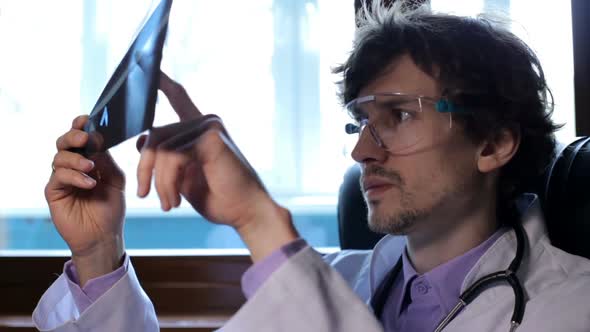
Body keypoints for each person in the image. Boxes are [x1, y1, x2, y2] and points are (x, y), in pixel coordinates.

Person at [33, 1, 590, 331]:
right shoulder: (335, 281)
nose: (361, 152)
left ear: (494, 143)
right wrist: (98, 253)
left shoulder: (570, 305)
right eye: (360, 123)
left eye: (397, 116)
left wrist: (259, 218)